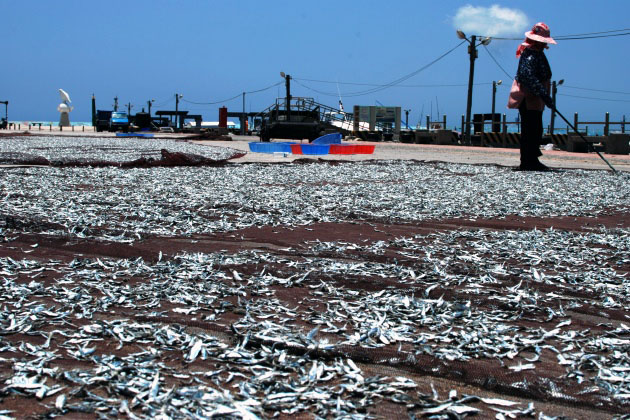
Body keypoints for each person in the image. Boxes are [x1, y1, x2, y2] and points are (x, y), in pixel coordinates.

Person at [508, 22, 557, 171]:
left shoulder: (537, 54)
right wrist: (543, 94)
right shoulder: (529, 55)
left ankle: (531, 159)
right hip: (529, 98)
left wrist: (544, 96)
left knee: (536, 129)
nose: (543, 45)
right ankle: (528, 162)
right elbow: (527, 76)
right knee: (531, 130)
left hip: (536, 98)